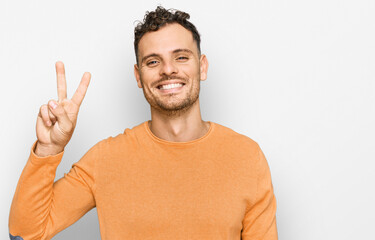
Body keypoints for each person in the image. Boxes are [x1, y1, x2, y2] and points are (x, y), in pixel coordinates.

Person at [9, 6, 278, 240]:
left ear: (202, 66)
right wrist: (49, 149)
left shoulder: (246, 157)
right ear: (138, 76)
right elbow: (26, 233)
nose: (168, 69)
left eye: (181, 57)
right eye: (153, 61)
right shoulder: (106, 159)